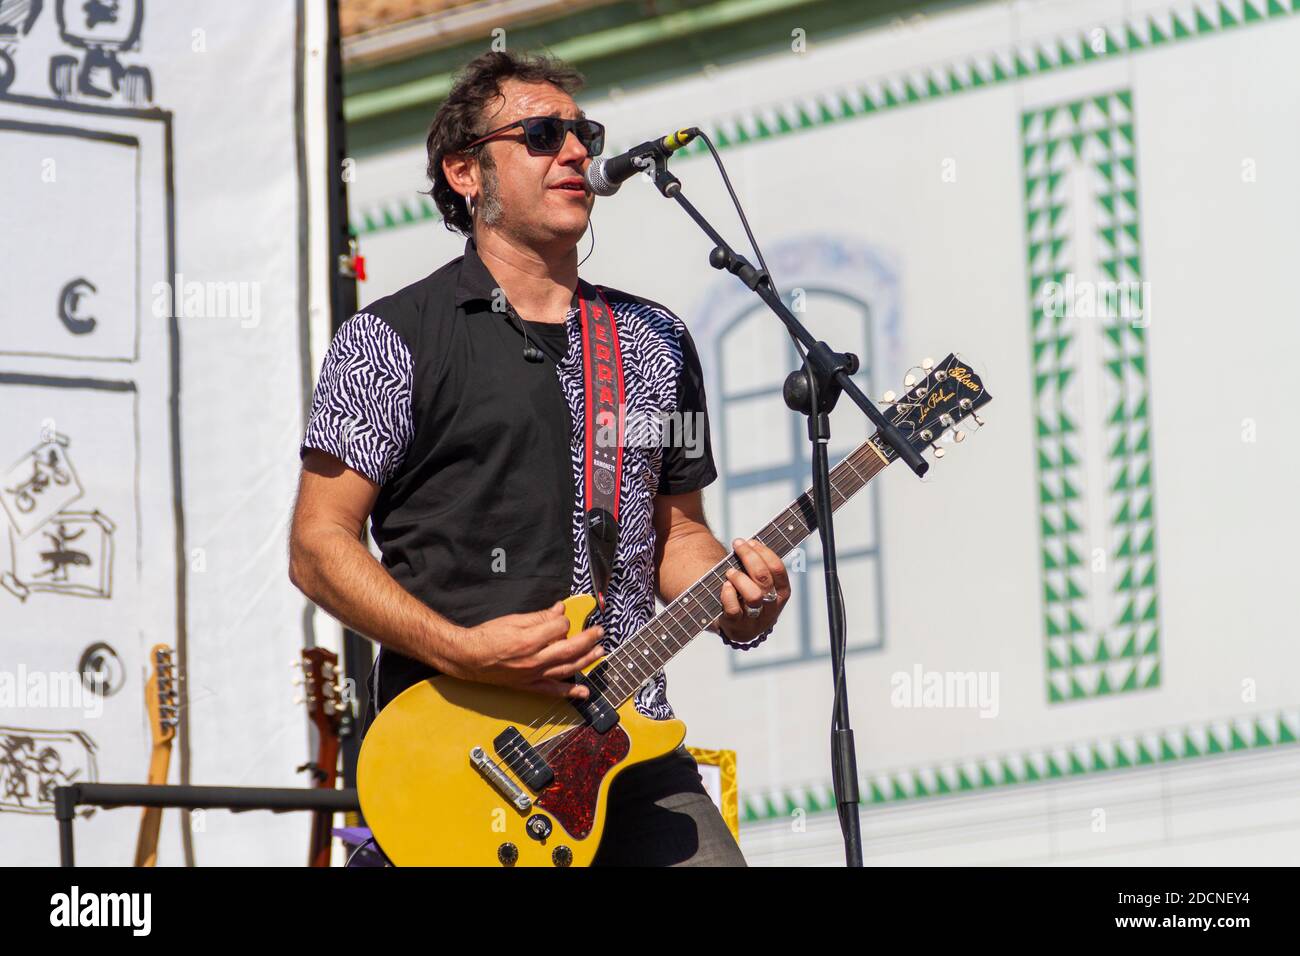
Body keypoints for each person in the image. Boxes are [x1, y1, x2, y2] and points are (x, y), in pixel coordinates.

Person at [289, 50, 790, 866]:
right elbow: (317, 546)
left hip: (629, 747)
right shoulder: (387, 340)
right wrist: (461, 649)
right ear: (464, 172)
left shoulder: (657, 340)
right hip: (465, 752)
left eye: (583, 134)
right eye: (542, 133)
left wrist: (736, 594)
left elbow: (677, 534)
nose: (576, 153)